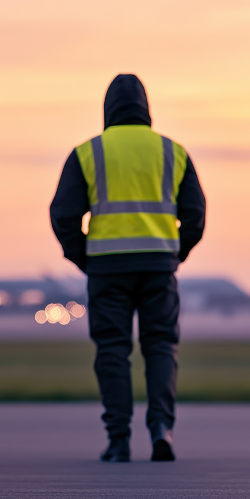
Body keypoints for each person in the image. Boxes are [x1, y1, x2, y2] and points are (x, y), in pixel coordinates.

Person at [49, 74, 206, 462]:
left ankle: (118, 440)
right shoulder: (173, 152)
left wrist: (84, 258)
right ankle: (161, 429)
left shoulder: (88, 153)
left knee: (112, 350)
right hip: (158, 267)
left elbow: (63, 215)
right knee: (161, 346)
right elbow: (196, 215)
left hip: (106, 268)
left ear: (108, 108)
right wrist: (174, 254)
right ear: (146, 107)